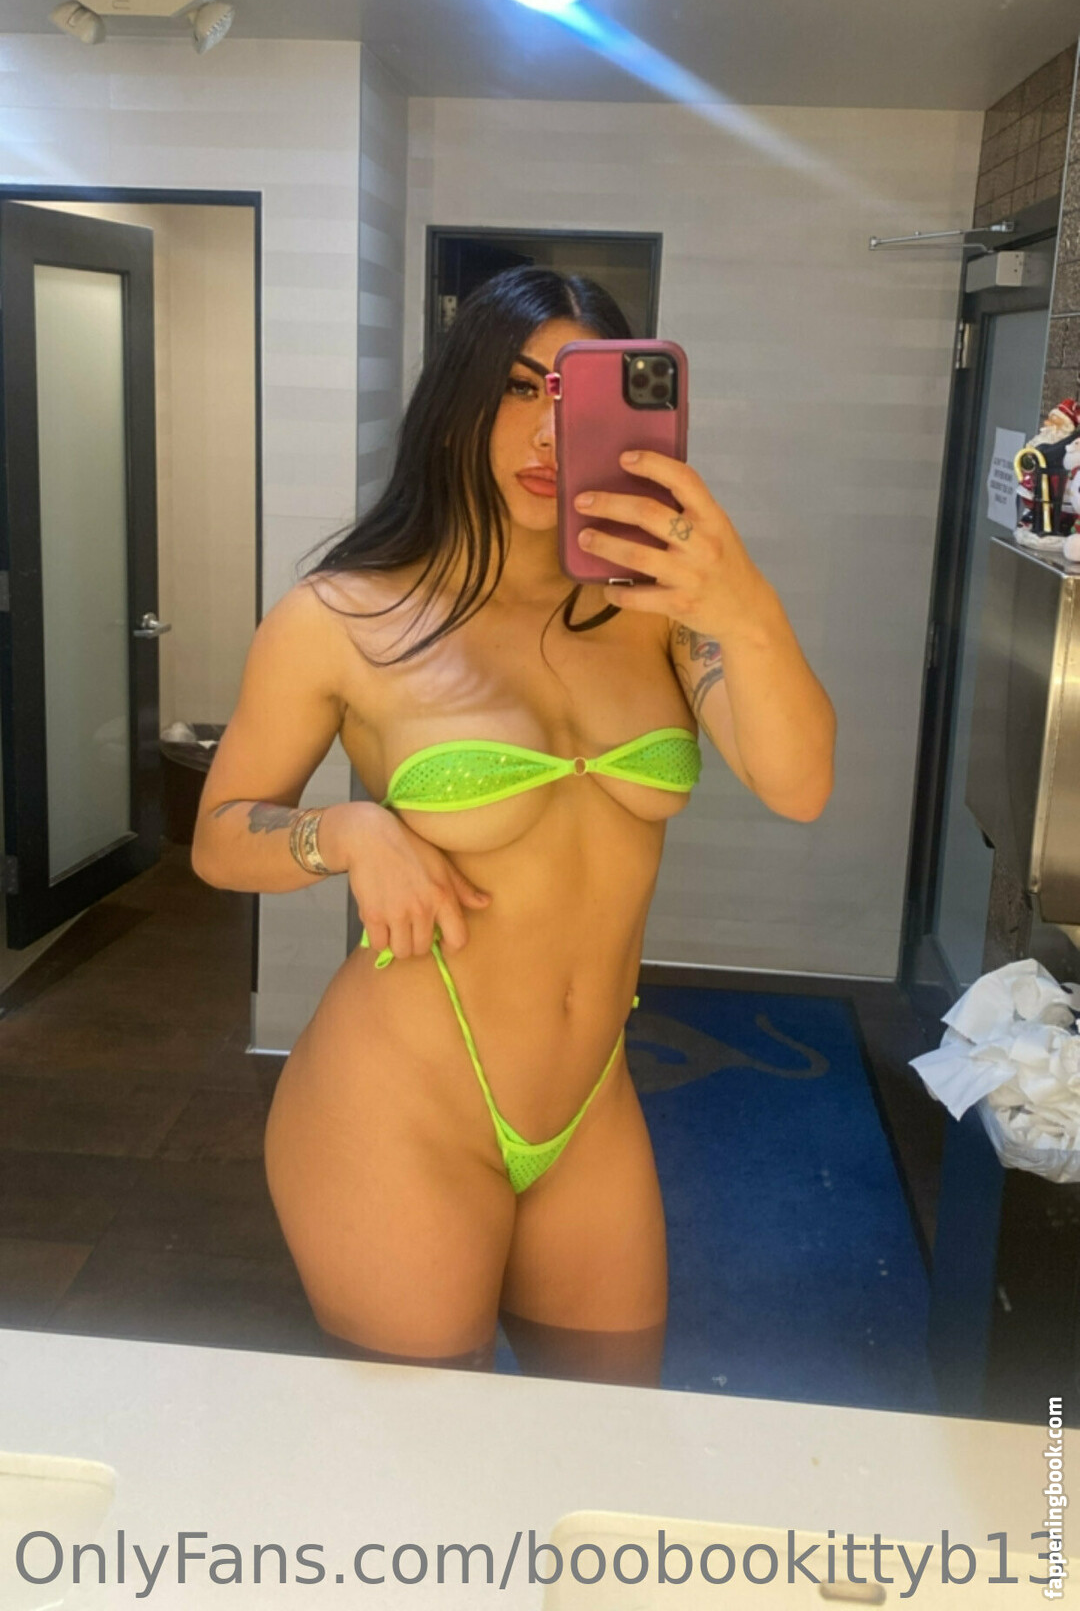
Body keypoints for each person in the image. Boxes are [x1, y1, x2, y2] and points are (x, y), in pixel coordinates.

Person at [191, 267, 835, 1385]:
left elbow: (800, 785)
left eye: (578, 396)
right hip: (398, 1106)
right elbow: (216, 837)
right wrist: (348, 832)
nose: (547, 430)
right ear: (457, 403)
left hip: (590, 1103)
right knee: (433, 1466)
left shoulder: (660, 618)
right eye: (519, 386)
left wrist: (744, 607)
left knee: (607, 1435)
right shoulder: (343, 617)